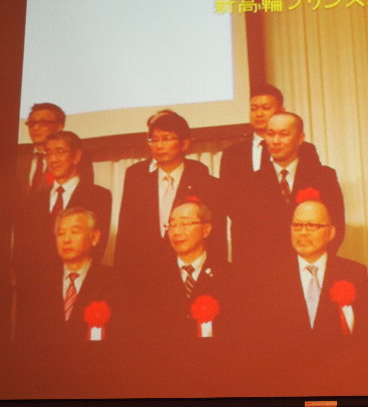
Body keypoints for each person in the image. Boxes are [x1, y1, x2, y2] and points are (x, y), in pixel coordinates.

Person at [114, 110, 226, 278]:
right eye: (154, 140)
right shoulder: (136, 176)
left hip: (187, 272)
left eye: (166, 139)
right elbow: (126, 232)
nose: (159, 146)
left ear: (184, 144)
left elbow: (215, 234)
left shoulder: (201, 178)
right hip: (143, 272)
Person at [219, 84, 320, 261]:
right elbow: (229, 201)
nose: (259, 114)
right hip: (249, 244)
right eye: (254, 108)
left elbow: (312, 191)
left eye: (266, 108)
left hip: (295, 244)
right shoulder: (232, 154)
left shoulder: (305, 149)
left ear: (281, 110)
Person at [255, 197, 368, 337]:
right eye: (297, 225)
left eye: (311, 226)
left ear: (331, 232)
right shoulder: (271, 275)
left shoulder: (353, 273)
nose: (303, 232)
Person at [238, 112, 345, 263]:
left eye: (284, 134)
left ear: (300, 138)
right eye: (270, 134)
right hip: (267, 269)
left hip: (311, 266)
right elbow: (245, 236)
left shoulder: (323, 177)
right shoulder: (251, 183)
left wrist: (315, 265)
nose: (276, 141)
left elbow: (336, 227)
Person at [129, 197, 236, 343]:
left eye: (185, 223)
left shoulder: (230, 276)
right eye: (172, 225)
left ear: (206, 229)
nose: (176, 232)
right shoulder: (152, 277)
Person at [13, 131, 111, 289]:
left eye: (60, 152)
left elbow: (97, 246)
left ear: (76, 156)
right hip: (34, 287)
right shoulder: (33, 201)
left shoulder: (98, 196)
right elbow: (22, 249)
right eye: (48, 153)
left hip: (74, 286)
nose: (53, 159)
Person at [16, 207, 115, 348]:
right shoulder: (39, 283)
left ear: (94, 237)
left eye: (75, 232)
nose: (66, 239)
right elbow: (25, 340)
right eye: (60, 233)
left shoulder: (114, 283)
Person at [15, 103, 94, 204]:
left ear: (59, 126)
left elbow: (84, 194)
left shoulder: (76, 157)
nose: (36, 128)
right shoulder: (18, 158)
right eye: (32, 123)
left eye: (43, 123)